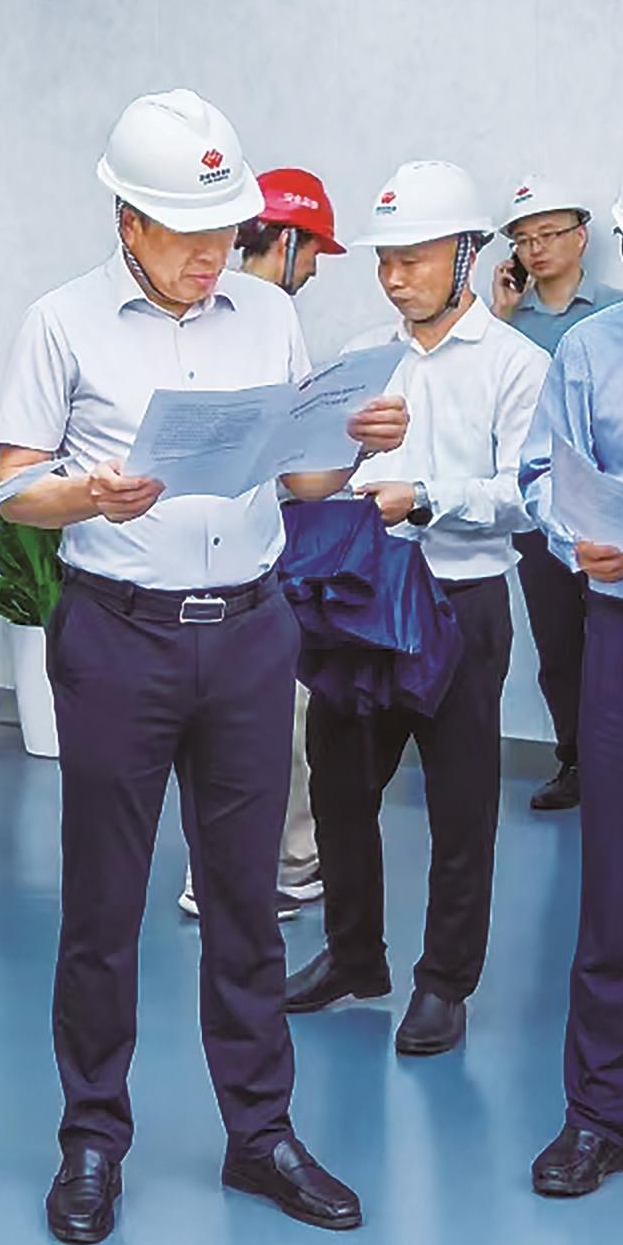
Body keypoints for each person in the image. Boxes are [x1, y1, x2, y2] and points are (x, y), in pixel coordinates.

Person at [0, 89, 409, 1242]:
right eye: (187, 234)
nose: (210, 255)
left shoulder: (266, 315)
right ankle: (91, 1137)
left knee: (246, 902)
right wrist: (85, 494)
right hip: (116, 633)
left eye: (224, 231)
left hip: (250, 633)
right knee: (103, 903)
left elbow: (302, 480)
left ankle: (259, 1133)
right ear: (127, 221)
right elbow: (13, 484)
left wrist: (353, 440)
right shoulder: (60, 322)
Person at [284, 161, 550, 1059]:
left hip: (459, 603)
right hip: (362, 600)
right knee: (338, 785)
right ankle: (354, 955)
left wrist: (426, 497)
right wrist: (342, 461)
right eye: (384, 261)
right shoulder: (364, 355)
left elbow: (529, 495)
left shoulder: (517, 366)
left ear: (467, 254)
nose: (394, 279)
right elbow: (316, 470)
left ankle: (444, 984)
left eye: (414, 259)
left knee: (461, 803)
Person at [520, 131, 623, 1198]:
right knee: (620, 887)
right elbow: (541, 475)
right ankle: (602, 1114)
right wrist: (576, 540)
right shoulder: (590, 352)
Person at [179, 167, 349, 919]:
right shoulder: (257, 319)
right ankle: (274, 868)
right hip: (245, 572)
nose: (313, 269)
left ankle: (238, 869)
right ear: (283, 242)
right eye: (311, 251)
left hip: (233, 562)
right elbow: (290, 464)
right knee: (275, 726)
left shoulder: (237, 320)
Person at [490, 177, 623, 811]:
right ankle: (575, 762)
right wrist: (498, 315)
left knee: (621, 642)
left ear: (582, 236)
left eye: (549, 233)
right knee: (558, 645)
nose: (536, 248)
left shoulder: (620, 314)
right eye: (523, 239)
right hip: (539, 508)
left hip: (613, 505)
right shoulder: (506, 325)